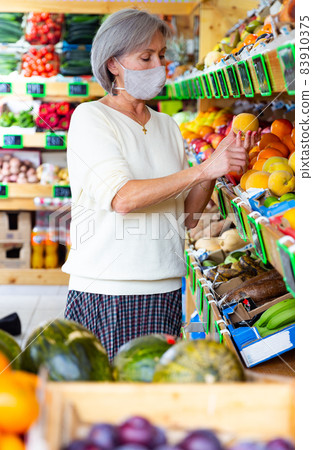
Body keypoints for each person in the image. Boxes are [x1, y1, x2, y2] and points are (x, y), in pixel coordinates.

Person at [62, 9, 259, 362]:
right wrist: (202, 169)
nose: (159, 64)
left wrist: (218, 163)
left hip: (166, 284)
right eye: (146, 56)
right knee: (110, 398)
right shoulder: (91, 118)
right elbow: (123, 198)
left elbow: (186, 216)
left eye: (162, 55)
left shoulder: (168, 125)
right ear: (113, 65)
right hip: (110, 288)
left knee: (151, 398)